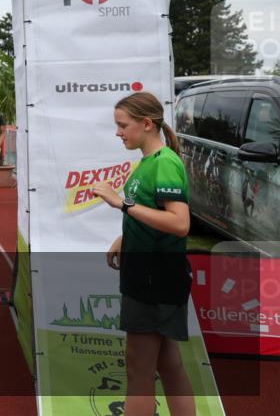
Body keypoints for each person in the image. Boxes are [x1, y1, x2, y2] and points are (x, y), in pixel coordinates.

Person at [93, 91, 195, 416]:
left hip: (154, 280)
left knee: (138, 369)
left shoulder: (164, 162)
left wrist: (121, 203)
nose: (118, 132)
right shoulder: (149, 162)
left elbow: (180, 223)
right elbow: (153, 212)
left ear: (147, 123)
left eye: (123, 125)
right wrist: (125, 237)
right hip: (152, 276)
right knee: (169, 364)